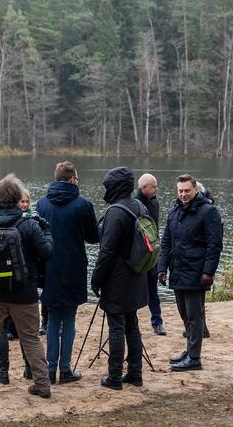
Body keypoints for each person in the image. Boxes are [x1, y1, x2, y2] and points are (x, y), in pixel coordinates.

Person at [0, 174, 53, 399]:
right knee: (31, 338)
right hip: (24, 294)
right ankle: (42, 385)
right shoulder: (29, 225)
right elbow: (46, 253)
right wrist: (46, 230)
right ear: (17, 199)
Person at [36, 161, 99, 384]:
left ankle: (51, 370)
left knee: (53, 319)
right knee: (69, 319)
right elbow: (93, 237)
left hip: (49, 267)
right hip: (73, 268)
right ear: (72, 179)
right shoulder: (83, 205)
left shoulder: (42, 204)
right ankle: (65, 369)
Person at [157, 174, 223, 372]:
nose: (184, 194)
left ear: (195, 190)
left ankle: (194, 358)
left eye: (187, 191)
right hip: (178, 271)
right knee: (184, 314)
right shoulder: (174, 212)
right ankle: (189, 351)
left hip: (196, 273)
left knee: (195, 317)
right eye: (181, 191)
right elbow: (166, 241)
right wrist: (162, 267)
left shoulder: (208, 212)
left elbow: (214, 245)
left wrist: (208, 272)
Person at [91, 167, 149, 390]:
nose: (106, 189)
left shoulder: (116, 212)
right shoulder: (140, 205)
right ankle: (135, 373)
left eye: (107, 186)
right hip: (137, 275)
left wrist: (96, 279)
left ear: (114, 187)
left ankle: (114, 376)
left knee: (116, 326)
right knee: (131, 323)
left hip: (118, 280)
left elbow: (106, 252)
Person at [0, 189, 37, 385]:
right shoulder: (29, 225)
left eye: (27, 201)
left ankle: (3, 372)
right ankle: (29, 371)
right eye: (22, 201)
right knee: (28, 334)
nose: (24, 205)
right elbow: (47, 251)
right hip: (23, 288)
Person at [136, 173, 166, 336]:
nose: (157, 189)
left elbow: (155, 230)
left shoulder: (154, 204)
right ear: (144, 187)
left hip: (152, 253)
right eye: (154, 186)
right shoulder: (134, 203)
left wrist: (157, 254)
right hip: (138, 254)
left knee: (152, 289)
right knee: (134, 289)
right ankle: (132, 321)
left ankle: (157, 321)